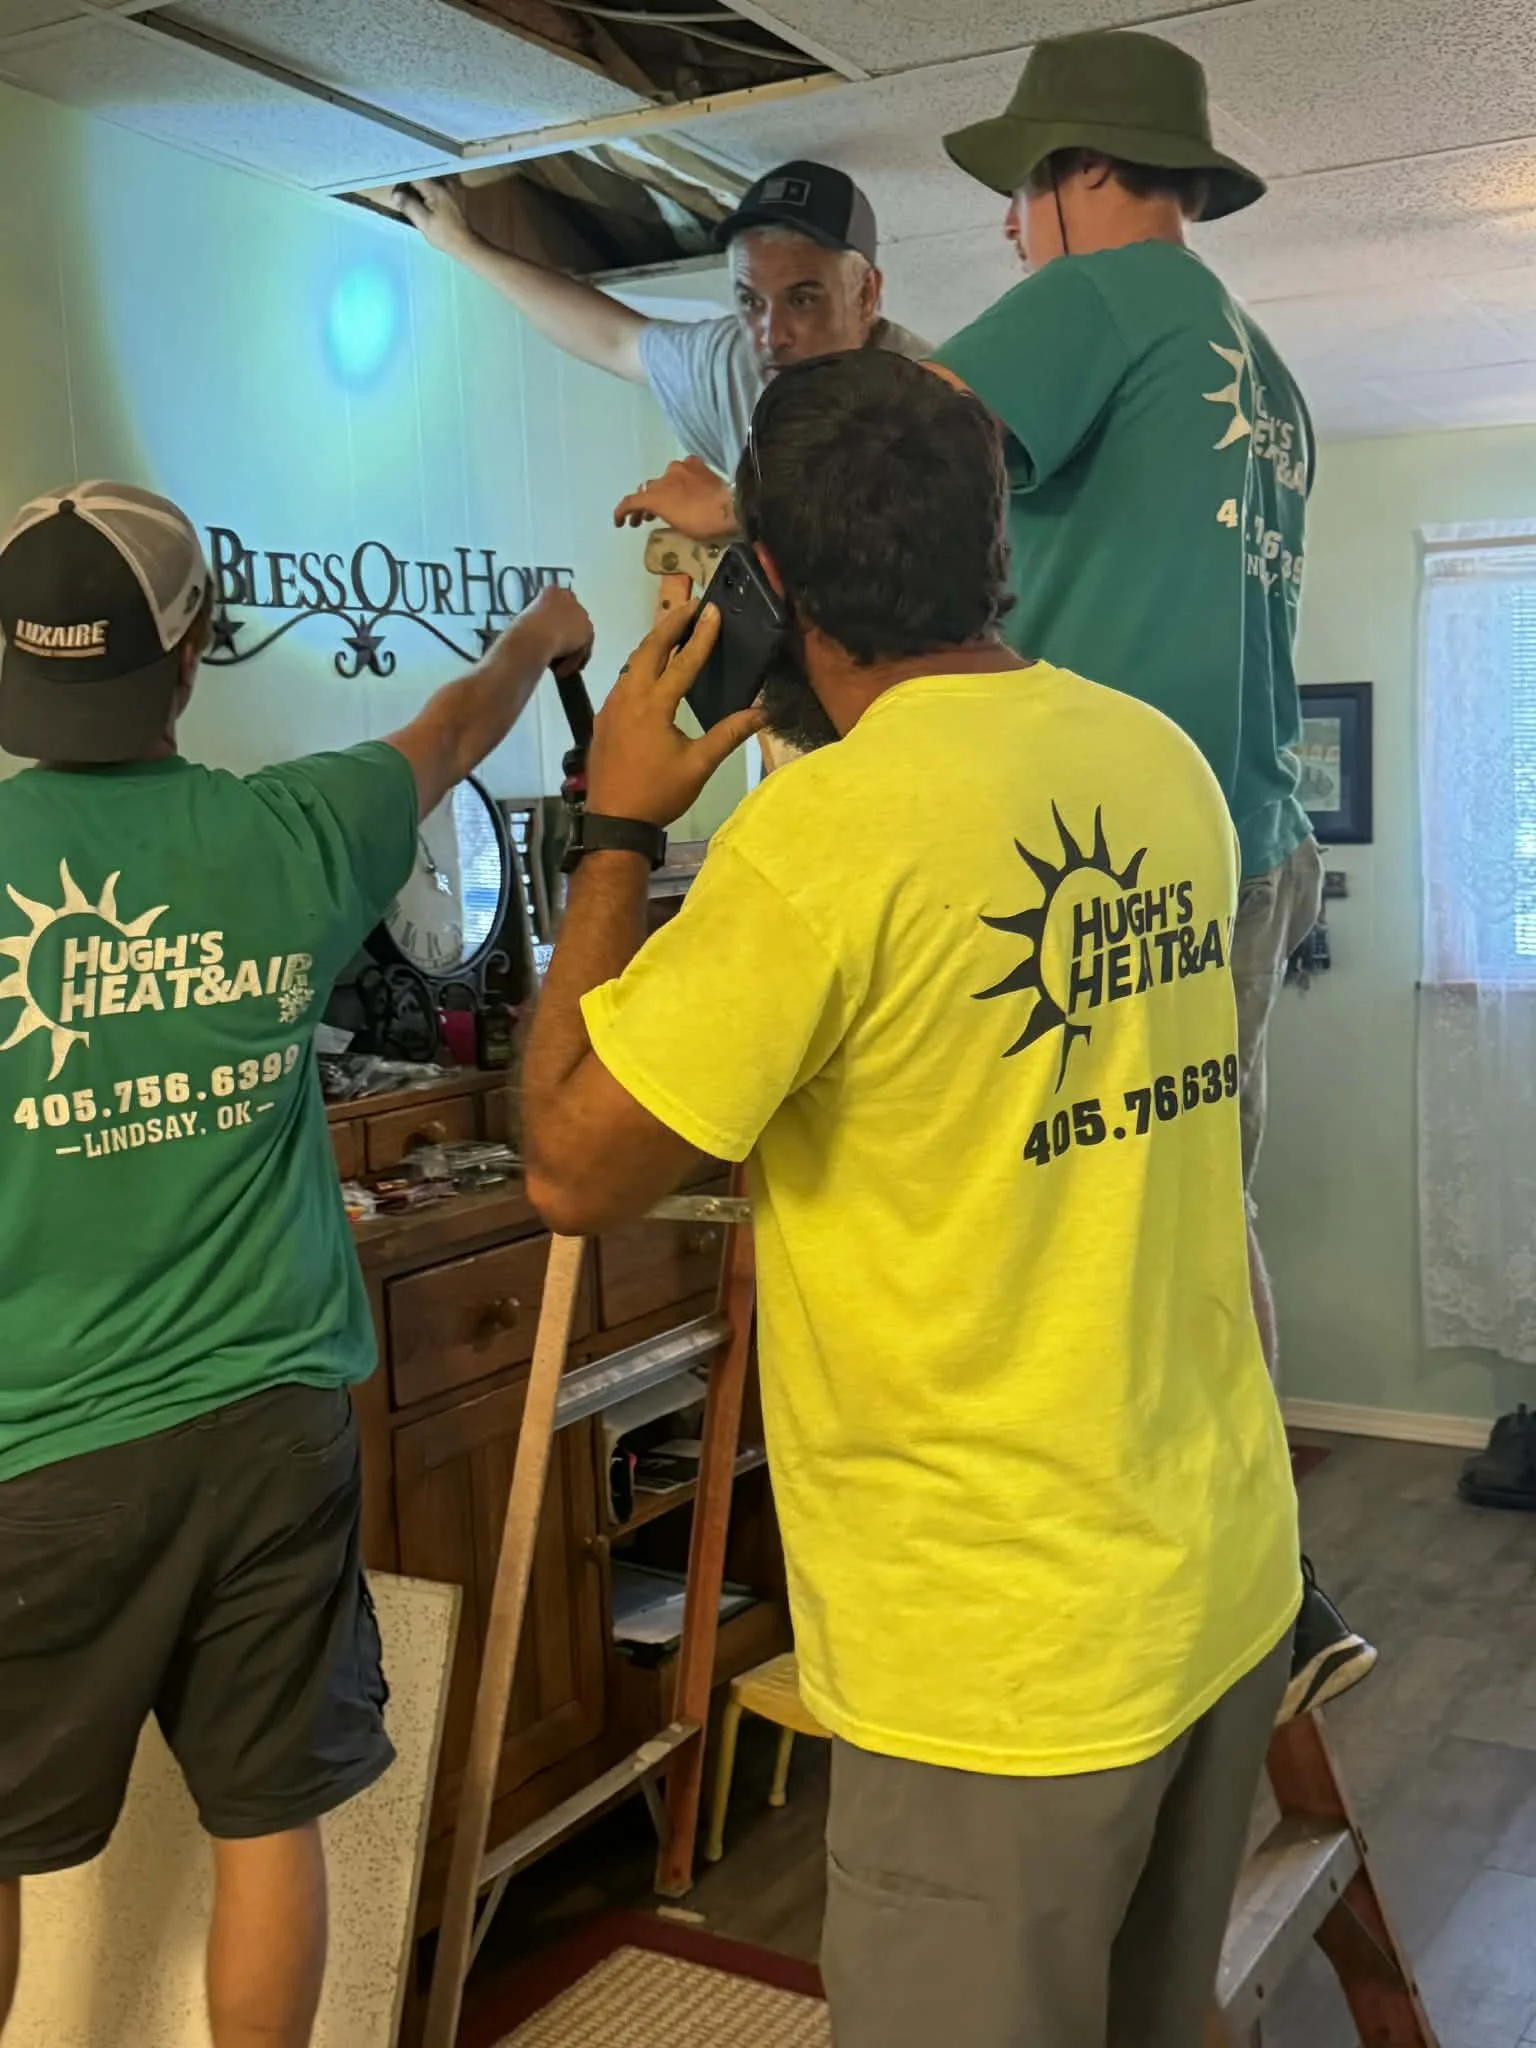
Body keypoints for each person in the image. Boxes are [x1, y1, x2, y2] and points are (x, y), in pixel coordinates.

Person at [519, 351, 1301, 2048]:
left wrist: (611, 835)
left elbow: (572, 1161)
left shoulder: (817, 842)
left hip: (1002, 1656)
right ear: (994, 540)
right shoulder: (1159, 762)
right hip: (1215, 1570)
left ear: (774, 580)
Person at [0, 480, 591, 2048]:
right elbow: (458, 729)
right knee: (268, 1821)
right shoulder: (296, 830)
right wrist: (537, 633)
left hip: (31, 1455)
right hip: (267, 1427)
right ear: (189, 651)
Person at [931, 26, 1373, 1721]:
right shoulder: (1264, 368)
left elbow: (892, 472)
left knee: (1063, 1216)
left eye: (1026, 189)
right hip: (1247, 842)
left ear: (1088, 173)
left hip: (1098, 848)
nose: (1012, 231)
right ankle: (1275, 1573)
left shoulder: (1099, 301)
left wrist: (733, 499)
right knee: (1204, 1201)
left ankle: (1137, 1593)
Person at [393, 159, 928, 542]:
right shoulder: (732, 360)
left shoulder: (935, 393)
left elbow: (898, 522)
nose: (770, 334)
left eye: (803, 299)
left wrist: (735, 509)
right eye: (750, 300)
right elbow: (616, 339)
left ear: (867, 295)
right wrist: (463, 246)